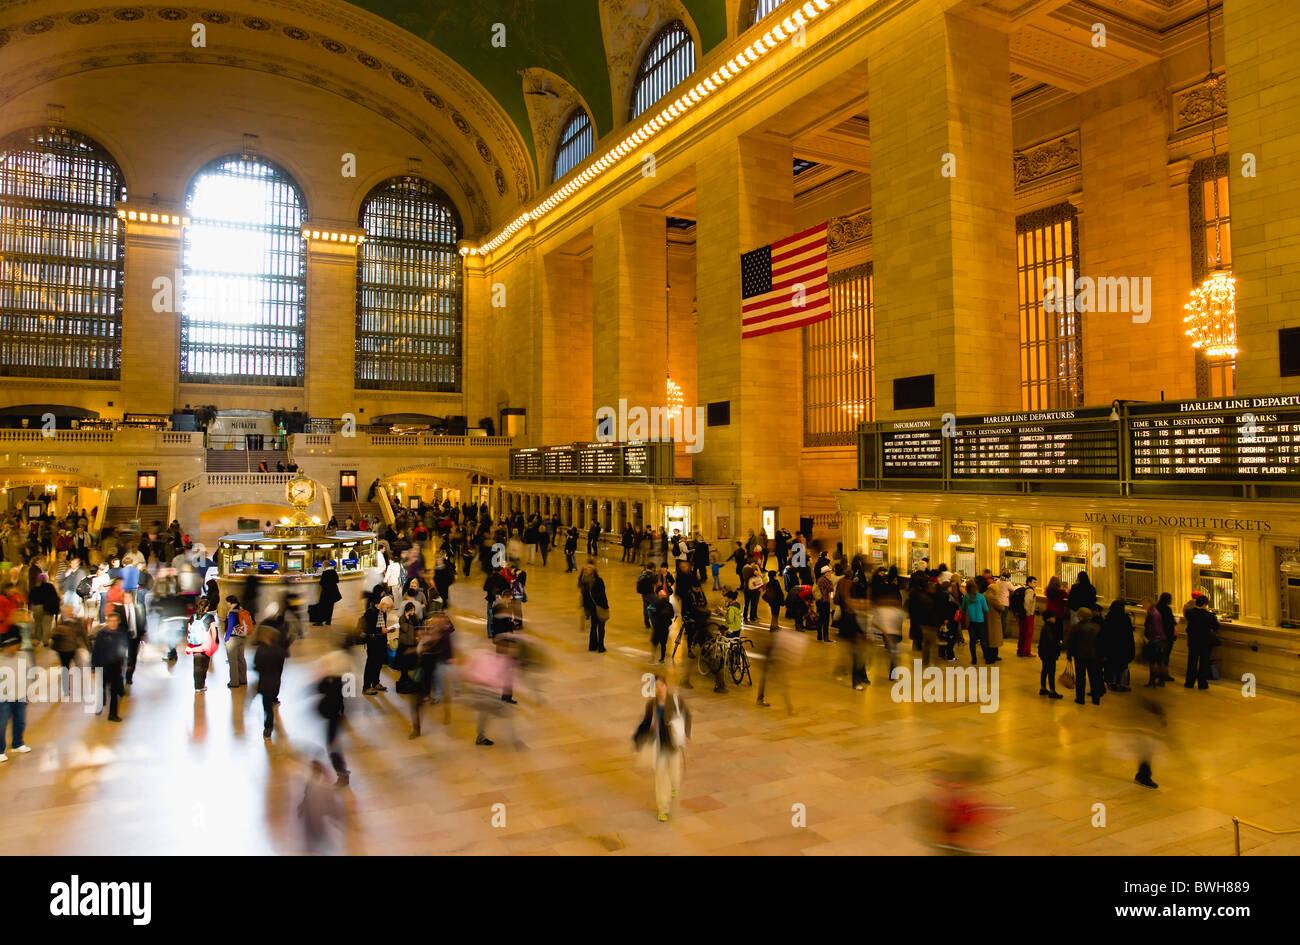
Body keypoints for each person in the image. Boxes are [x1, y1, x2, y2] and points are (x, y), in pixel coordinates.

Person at [633, 675, 691, 822]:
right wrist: (637, 742)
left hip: (673, 745)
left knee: (674, 774)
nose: (658, 689)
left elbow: (687, 716)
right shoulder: (651, 705)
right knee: (660, 777)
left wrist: (687, 734)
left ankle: (674, 787)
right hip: (658, 747)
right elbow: (644, 725)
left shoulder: (676, 701)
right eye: (656, 687)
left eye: (661, 686)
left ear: (666, 686)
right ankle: (663, 808)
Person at [92, 609, 128, 721]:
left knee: (114, 691)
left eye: (115, 621)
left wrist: (124, 663)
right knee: (100, 688)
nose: (113, 623)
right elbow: (96, 651)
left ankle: (112, 714)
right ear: (107, 622)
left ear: (118, 621)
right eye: (110, 621)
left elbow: (124, 650)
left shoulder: (122, 633)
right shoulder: (101, 634)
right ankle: (99, 705)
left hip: (115, 667)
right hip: (102, 666)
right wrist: (93, 669)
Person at [0, 630, 31, 762]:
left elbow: (29, 673)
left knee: (20, 721)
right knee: (2, 724)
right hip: (3, 698)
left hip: (21, 695)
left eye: (17, 645)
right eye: (12, 645)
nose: (15, 648)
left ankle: (18, 743)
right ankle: (0, 750)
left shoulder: (23, 655)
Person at [252, 625, 286, 738]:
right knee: (271, 701)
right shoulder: (280, 650)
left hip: (265, 682)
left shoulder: (261, 650)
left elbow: (257, 666)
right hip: (276, 681)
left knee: (267, 708)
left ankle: (268, 727)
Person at [1066, 606, 1103, 706]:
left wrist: (1069, 655)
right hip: (1093, 655)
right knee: (1093, 677)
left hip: (1080, 655)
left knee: (1080, 678)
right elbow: (1100, 643)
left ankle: (1080, 698)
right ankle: (1096, 699)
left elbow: (1071, 643)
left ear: (1080, 616)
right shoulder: (1096, 627)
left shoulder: (1076, 627)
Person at [1183, 594, 1220, 690]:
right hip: (1205, 642)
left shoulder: (1189, 613)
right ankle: (1202, 683)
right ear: (1205, 604)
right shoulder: (1209, 616)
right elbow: (1215, 627)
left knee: (1192, 662)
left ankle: (1189, 682)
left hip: (1193, 641)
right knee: (1204, 662)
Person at [1100, 599, 1135, 692]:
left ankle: (1112, 682)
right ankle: (1122, 684)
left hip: (1111, 646)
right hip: (1123, 647)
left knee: (1112, 664)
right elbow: (1129, 635)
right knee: (1123, 666)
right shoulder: (1125, 619)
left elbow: (1105, 634)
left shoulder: (1109, 618)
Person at [362, 597, 393, 695]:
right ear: (383, 604)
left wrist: (388, 630)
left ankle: (376, 682)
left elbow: (382, 626)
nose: (388, 610)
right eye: (388, 607)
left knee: (379, 663)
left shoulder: (383, 612)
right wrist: (380, 631)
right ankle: (366, 686)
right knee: (371, 663)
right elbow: (367, 628)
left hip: (381, 641)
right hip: (372, 642)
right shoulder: (370, 612)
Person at [185, 611, 219, 693]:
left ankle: (197, 686)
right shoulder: (210, 617)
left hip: (195, 644)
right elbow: (213, 631)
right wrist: (213, 642)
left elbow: (189, 629)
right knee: (204, 665)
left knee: (196, 666)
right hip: (205, 644)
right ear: (207, 607)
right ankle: (202, 684)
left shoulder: (193, 616)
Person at [223, 595, 253, 688]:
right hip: (242, 637)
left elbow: (230, 626)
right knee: (241, 658)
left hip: (233, 638)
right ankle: (243, 679)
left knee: (233, 660)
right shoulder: (241, 609)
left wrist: (226, 638)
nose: (226, 604)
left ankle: (234, 682)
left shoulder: (232, 613)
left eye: (227, 602)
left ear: (230, 602)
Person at [1142, 597, 1169, 688]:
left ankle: (1152, 681)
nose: (1143, 605)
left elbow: (1152, 627)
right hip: (1162, 639)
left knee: (1152, 662)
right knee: (1160, 662)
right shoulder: (1156, 612)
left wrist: (1148, 638)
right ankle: (1161, 681)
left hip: (1154, 640)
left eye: (1144, 603)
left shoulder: (1151, 613)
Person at [961, 579, 989, 665]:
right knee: (983, 640)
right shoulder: (981, 597)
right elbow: (986, 609)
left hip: (970, 622)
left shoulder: (966, 597)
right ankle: (987, 659)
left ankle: (974, 659)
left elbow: (963, 609)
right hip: (980, 620)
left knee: (972, 641)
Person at [1037, 609, 1063, 699]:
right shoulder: (1050, 628)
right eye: (1053, 617)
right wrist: (1059, 644)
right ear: (1049, 618)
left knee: (1045, 670)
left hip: (1044, 652)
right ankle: (1052, 690)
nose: (1055, 618)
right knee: (1051, 671)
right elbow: (1051, 640)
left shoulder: (1045, 627)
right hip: (1050, 653)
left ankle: (1043, 687)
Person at [583, 566, 609, 653]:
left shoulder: (585, 582)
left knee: (593, 627)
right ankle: (601, 647)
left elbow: (584, 597)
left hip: (592, 608)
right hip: (599, 606)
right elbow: (602, 594)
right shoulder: (598, 581)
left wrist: (586, 609)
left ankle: (592, 646)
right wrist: (605, 606)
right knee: (601, 627)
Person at [1012, 576, 1037, 657]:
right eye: (1034, 582)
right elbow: (1027, 601)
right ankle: (1026, 651)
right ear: (1029, 582)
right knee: (1028, 634)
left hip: (1022, 614)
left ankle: (1020, 650)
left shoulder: (1024, 589)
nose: (1035, 584)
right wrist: (1028, 612)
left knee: (1022, 633)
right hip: (1028, 615)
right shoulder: (1030, 591)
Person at [649, 588, 674, 663]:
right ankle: (662, 658)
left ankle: (652, 657)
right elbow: (672, 616)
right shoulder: (669, 605)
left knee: (655, 643)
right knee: (663, 644)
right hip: (665, 627)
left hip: (657, 626)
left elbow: (650, 611)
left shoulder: (656, 603)